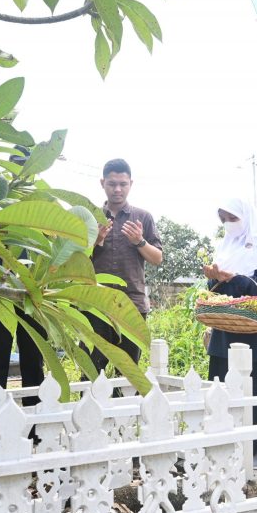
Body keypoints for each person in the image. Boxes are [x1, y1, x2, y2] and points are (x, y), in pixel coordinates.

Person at [202, 197, 257, 468]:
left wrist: (232, 279)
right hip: (225, 327)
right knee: (221, 385)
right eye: (223, 219)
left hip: (254, 329)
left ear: (245, 216)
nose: (228, 224)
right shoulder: (225, 246)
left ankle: (256, 449)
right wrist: (215, 278)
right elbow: (215, 289)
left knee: (255, 388)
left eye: (232, 218)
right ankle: (223, 446)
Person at [0, 146, 45, 405]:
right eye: (18, 164)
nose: (23, 171)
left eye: (26, 165)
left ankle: (35, 431)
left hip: (32, 295)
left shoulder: (41, 202)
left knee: (33, 365)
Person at [88, 158, 162, 370]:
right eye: (112, 184)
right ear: (102, 183)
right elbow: (77, 261)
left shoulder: (143, 217)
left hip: (132, 304)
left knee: (129, 371)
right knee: (93, 371)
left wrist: (139, 241)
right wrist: (97, 241)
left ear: (131, 184)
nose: (117, 189)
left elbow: (157, 258)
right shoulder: (91, 217)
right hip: (96, 303)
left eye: (123, 184)